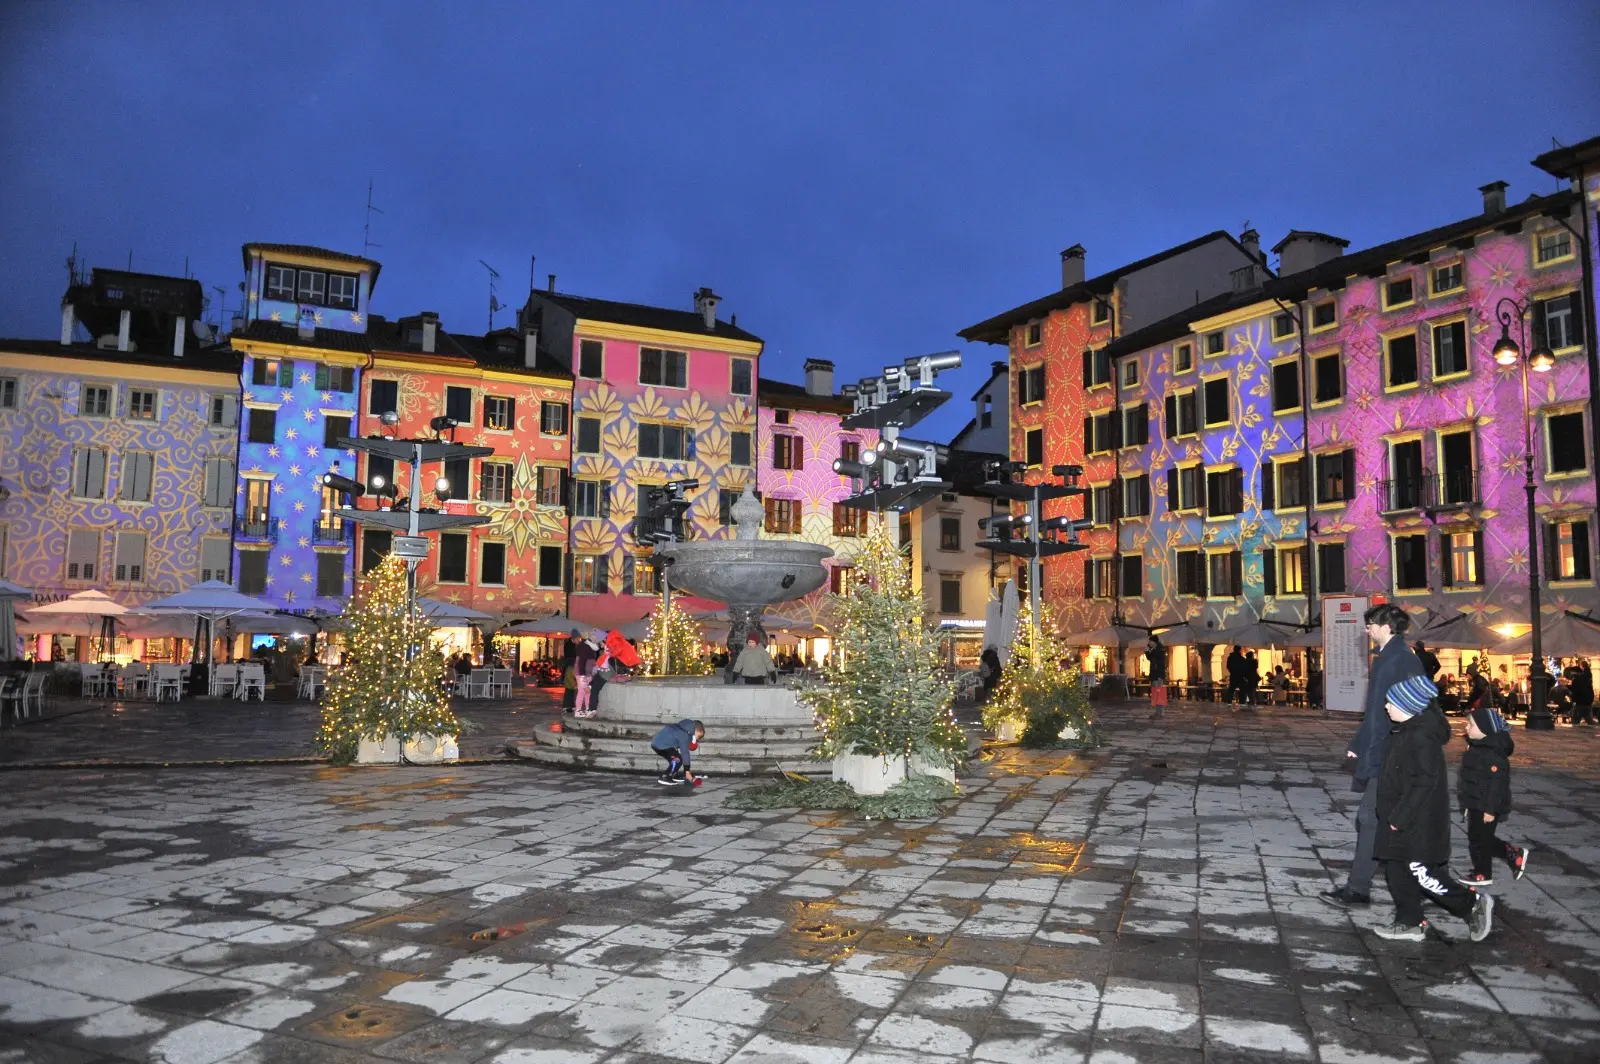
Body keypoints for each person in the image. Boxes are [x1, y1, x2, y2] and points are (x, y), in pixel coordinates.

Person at [1371, 674, 1493, 942]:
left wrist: (1400, 816)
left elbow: (1424, 782)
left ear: (1410, 706)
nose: (1386, 707)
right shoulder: (1404, 732)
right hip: (1400, 818)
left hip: (1417, 822)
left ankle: (1470, 905)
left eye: (1391, 702)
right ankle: (1410, 921)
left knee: (1422, 874)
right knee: (1395, 871)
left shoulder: (1421, 738)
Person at [1323, 603, 1427, 909]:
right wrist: (1359, 741)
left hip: (1391, 752)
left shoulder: (1392, 660)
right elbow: (1377, 712)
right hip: (1395, 748)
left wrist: (1368, 749)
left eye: (1370, 624)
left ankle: (1360, 890)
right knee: (1380, 820)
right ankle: (1373, 881)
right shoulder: (1399, 657)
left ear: (1385, 627)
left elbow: (1383, 714)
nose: (1366, 630)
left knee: (1371, 819)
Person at [1458, 704, 1531, 886]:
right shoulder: (1476, 747)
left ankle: (1484, 872)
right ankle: (1510, 854)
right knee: (1478, 838)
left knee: (1481, 841)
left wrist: (1490, 809)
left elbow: (1497, 785)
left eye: (1471, 725)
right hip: (1475, 801)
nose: (1467, 728)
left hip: (1487, 804)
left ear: (1485, 730)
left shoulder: (1492, 754)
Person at [651, 718, 705, 785]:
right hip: (660, 745)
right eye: (699, 737)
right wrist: (687, 772)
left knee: (676, 757)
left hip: (661, 743)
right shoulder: (683, 734)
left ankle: (674, 775)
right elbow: (685, 753)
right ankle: (665, 777)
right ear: (695, 731)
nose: (698, 739)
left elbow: (686, 744)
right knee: (677, 759)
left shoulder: (685, 728)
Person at [1145, 636, 1168, 716]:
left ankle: (1160, 712)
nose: (1149, 643)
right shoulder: (1157, 649)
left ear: (1154, 642)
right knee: (1156, 692)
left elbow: (1151, 658)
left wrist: (1147, 651)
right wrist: (1148, 651)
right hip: (1156, 674)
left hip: (1157, 674)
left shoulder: (1158, 650)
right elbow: (1151, 658)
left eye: (1150, 641)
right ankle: (1158, 711)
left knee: (1158, 692)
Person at [1571, 659, 1595, 725]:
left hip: (1581, 701)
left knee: (1575, 720)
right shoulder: (1587, 676)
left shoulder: (1577, 679)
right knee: (1588, 718)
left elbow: (1575, 690)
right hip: (1587, 701)